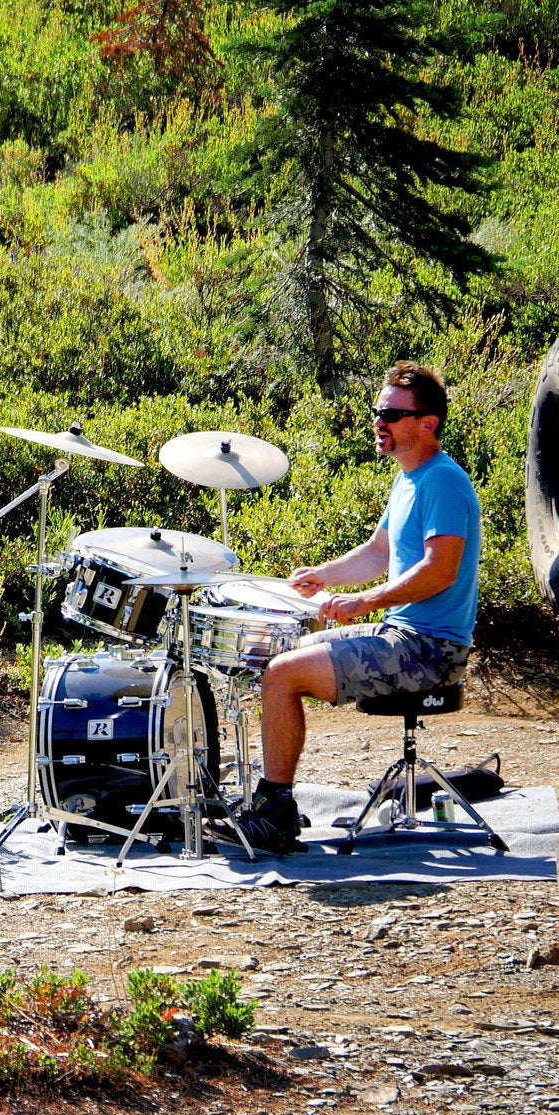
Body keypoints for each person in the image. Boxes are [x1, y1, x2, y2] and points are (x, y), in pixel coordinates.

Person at [232, 361, 482, 854]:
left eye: (391, 412)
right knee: (277, 659)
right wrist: (323, 576)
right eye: (377, 410)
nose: (378, 421)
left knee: (283, 674)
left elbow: (440, 569)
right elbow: (377, 552)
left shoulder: (443, 482)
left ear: (427, 423)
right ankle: (271, 801)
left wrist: (365, 601)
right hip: (402, 636)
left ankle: (274, 813)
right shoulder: (409, 478)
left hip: (430, 650)